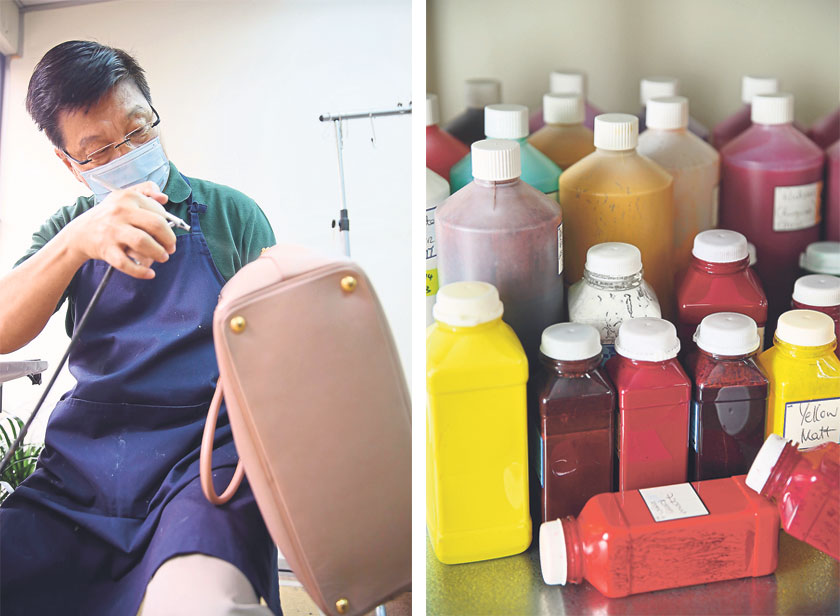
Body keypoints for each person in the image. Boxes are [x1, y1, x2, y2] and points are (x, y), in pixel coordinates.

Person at [0, 40, 281, 615]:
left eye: (135, 131)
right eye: (99, 149)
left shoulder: (233, 215)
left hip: (203, 463)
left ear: (154, 114)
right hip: (82, 472)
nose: (126, 152)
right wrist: (78, 243)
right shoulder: (65, 230)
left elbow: (276, 356)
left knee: (201, 603)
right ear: (69, 164)